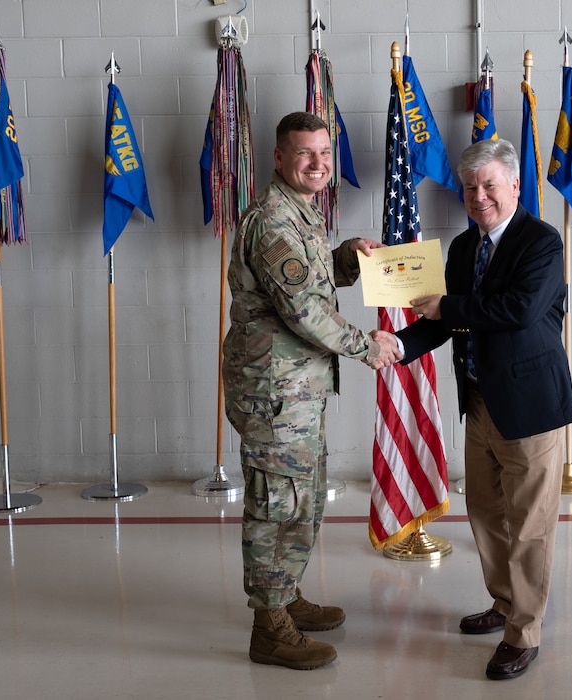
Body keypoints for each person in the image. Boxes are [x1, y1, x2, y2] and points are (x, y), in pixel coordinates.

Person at [380, 138, 572, 680]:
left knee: (531, 525)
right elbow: (445, 320)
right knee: (487, 516)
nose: (479, 196)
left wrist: (449, 306)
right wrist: (400, 346)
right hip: (479, 400)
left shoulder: (541, 241)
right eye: (470, 187)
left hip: (531, 408)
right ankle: (504, 602)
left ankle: (525, 633)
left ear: (514, 185)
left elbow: (515, 310)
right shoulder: (465, 248)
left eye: (489, 184)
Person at [222, 111, 401, 670]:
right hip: (276, 391)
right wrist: (364, 345)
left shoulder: (301, 214)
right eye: (304, 154)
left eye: (324, 153)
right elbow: (301, 309)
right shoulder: (275, 220)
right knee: (277, 502)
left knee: (301, 494)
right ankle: (268, 626)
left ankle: (286, 595)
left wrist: (346, 258)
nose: (318, 163)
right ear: (279, 158)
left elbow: (308, 277)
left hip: (297, 389)